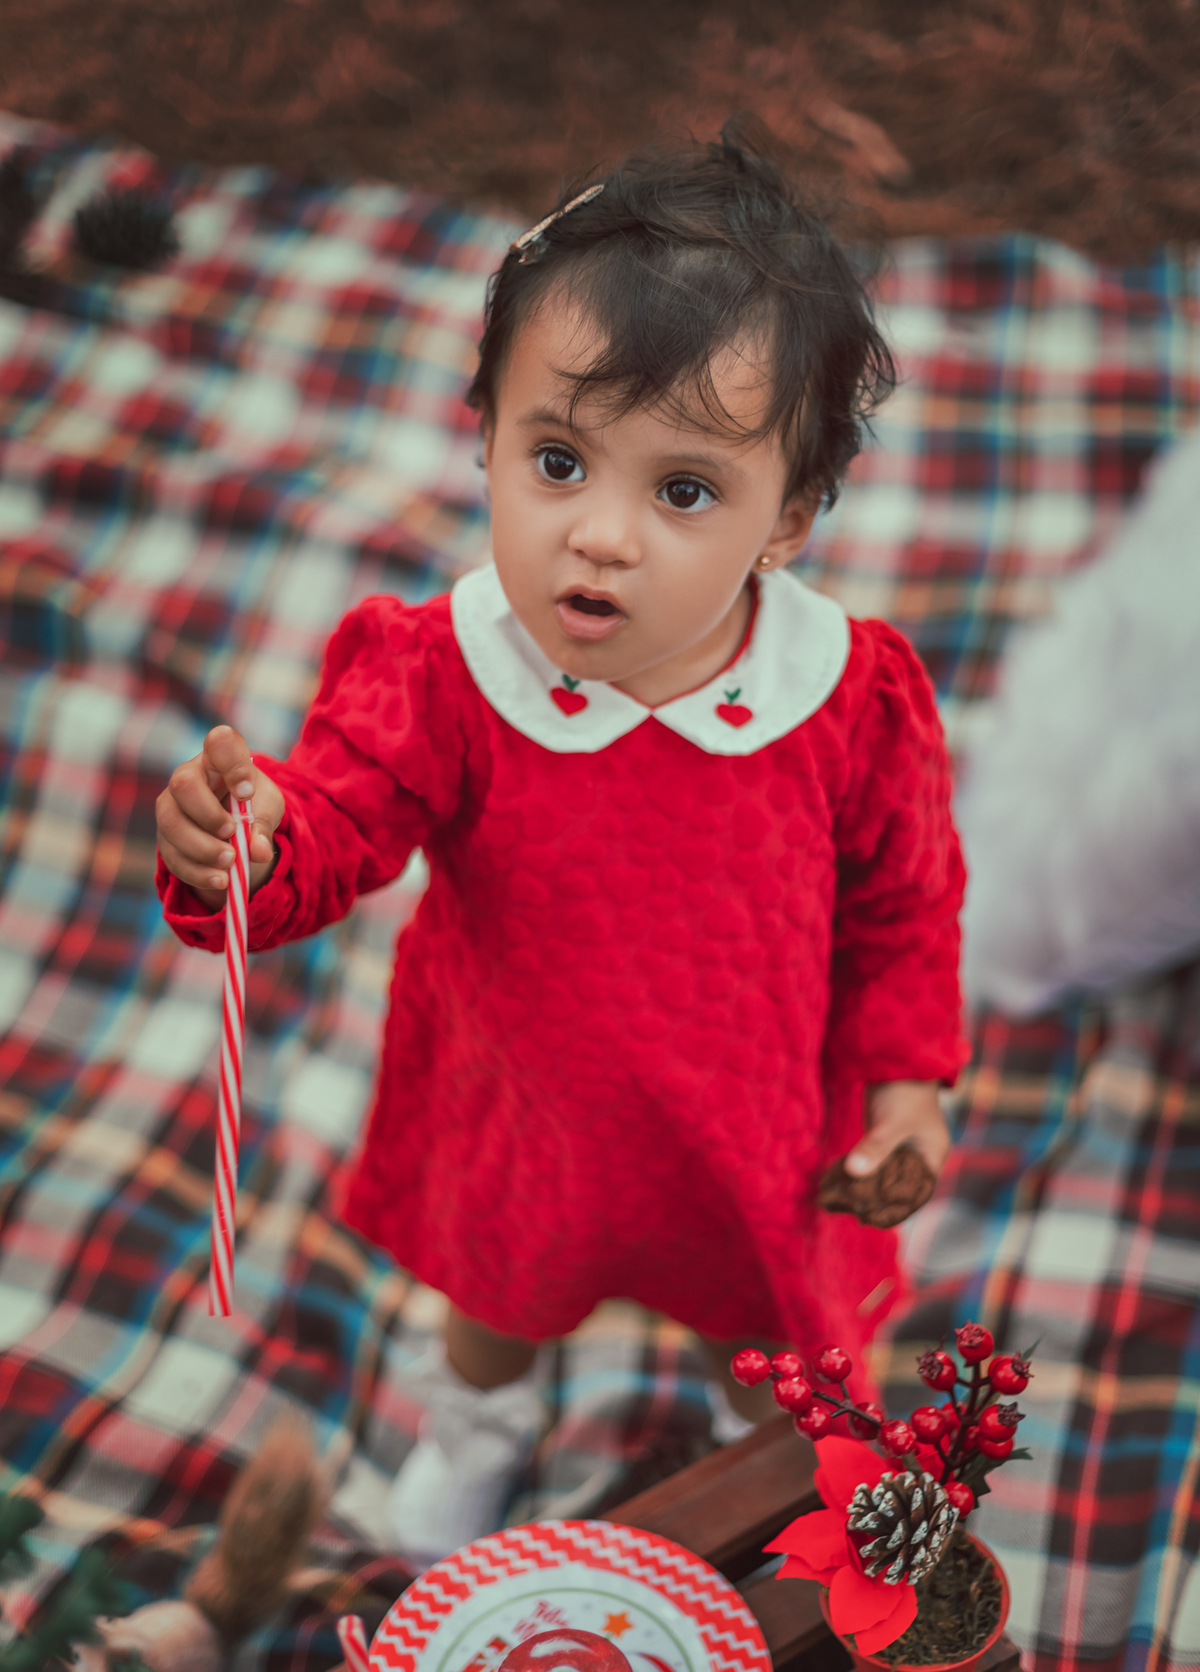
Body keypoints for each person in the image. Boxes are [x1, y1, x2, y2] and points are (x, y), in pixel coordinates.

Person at [155, 121, 967, 1568]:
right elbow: (342, 817)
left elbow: (904, 906)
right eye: (557, 460)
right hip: (524, 1105)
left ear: (788, 518)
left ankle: (751, 1465)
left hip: (754, 1126)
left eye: (683, 491)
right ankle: (477, 1430)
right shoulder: (447, 672)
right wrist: (257, 842)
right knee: (496, 1299)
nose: (599, 537)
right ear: (482, 438)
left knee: (763, 1342)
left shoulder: (845, 700)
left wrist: (906, 1097)